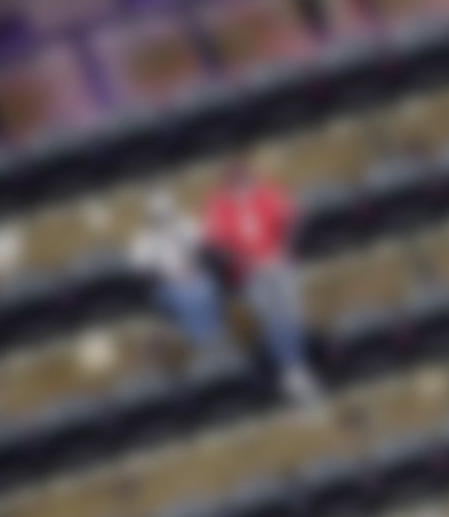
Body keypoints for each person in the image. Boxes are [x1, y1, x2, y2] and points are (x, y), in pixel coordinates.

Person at [202, 159, 319, 400]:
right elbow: (215, 244)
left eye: (245, 182)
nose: (242, 188)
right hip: (249, 272)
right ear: (228, 185)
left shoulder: (265, 193)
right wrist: (240, 261)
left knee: (292, 315)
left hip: (277, 263)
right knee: (272, 320)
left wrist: (285, 249)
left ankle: (295, 368)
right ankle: (293, 371)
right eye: (237, 185)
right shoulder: (219, 206)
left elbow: (295, 218)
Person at [129, 190, 230, 365]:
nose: (163, 220)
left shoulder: (185, 225)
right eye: (158, 217)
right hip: (166, 286)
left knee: (205, 289)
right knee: (187, 298)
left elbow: (203, 249)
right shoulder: (144, 239)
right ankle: (204, 344)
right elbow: (142, 269)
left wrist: (192, 265)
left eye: (166, 215)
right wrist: (168, 275)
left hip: (194, 276)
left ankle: (215, 339)